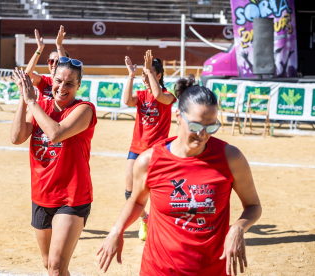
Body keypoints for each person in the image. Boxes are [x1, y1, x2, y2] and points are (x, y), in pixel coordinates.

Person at [97, 79, 262, 275]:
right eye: (196, 125)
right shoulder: (149, 160)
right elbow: (137, 201)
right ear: (178, 116)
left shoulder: (230, 157)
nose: (202, 134)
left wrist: (238, 227)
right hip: (159, 269)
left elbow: (253, 206)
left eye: (211, 127)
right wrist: (118, 229)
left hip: (211, 269)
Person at [10, 56, 97, 276]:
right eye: (58, 81)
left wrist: (32, 102)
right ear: (52, 79)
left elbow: (56, 133)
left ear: (78, 85)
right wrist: (23, 97)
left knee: (57, 267)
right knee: (49, 264)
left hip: (71, 197)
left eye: (70, 83)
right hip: (41, 195)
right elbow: (17, 137)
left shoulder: (85, 109)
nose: (62, 87)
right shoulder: (42, 106)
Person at [123, 50, 176, 241]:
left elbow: (158, 94)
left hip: (158, 151)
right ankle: (145, 219)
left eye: (150, 73)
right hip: (136, 148)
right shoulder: (141, 95)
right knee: (130, 192)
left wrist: (148, 71)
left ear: (159, 75)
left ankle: (162, 224)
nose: (145, 76)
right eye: (144, 74)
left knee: (157, 191)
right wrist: (131, 75)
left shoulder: (168, 95)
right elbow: (127, 101)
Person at [24, 25, 68, 102]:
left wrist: (59, 46)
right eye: (51, 61)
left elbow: (66, 67)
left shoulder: (68, 83)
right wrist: (39, 49)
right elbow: (27, 76)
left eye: (58, 62)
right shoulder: (44, 81)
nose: (54, 64)